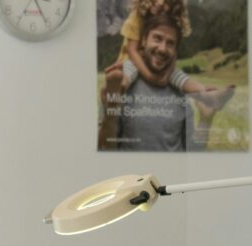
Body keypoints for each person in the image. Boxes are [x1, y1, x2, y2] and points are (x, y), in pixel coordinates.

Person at [98, 14, 234, 151]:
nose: (162, 49)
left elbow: (194, 152)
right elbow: (106, 149)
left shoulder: (181, 93)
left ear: (175, 52)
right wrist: (110, 115)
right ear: (144, 40)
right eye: (157, 38)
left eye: (170, 43)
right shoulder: (120, 88)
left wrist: (205, 120)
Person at [115, 0, 234, 110]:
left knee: (177, 75)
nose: (160, 3)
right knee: (130, 69)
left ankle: (208, 96)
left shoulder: (167, 21)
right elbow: (132, 51)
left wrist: (167, 74)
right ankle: (118, 88)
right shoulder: (137, 17)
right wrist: (151, 77)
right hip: (134, 60)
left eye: (167, 1)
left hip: (155, 61)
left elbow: (173, 53)